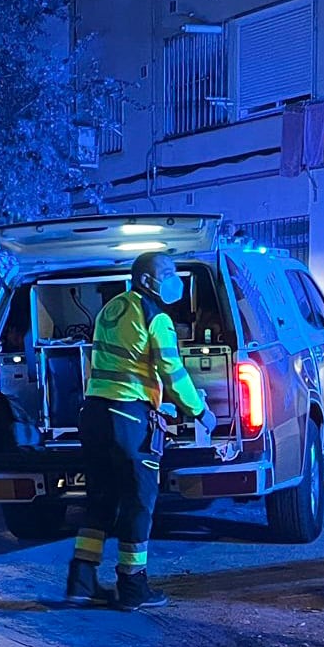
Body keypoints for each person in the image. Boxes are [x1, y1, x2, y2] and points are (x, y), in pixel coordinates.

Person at [65, 251, 217, 609]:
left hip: (96, 414)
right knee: (139, 503)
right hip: (130, 422)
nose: (174, 280)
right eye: (167, 273)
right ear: (149, 280)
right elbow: (172, 371)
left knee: (100, 500)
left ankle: (81, 580)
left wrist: (152, 398)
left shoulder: (112, 309)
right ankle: (132, 587)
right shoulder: (157, 318)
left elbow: (121, 365)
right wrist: (199, 411)